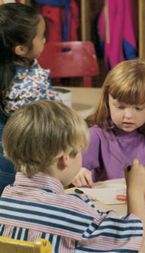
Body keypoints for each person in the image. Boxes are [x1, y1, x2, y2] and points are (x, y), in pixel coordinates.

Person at [0, 100, 145, 252]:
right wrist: (135, 190)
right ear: (65, 158)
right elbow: (131, 238)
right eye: (80, 151)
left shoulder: (5, 199)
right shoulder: (73, 211)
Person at [72, 59, 145, 187]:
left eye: (138, 108)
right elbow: (75, 171)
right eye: (120, 107)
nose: (128, 116)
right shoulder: (96, 135)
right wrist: (78, 174)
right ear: (107, 102)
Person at [0, 3, 61, 194]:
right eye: (41, 36)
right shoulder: (30, 84)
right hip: (21, 170)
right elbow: (47, 125)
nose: (44, 40)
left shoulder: (12, 71)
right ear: (21, 49)